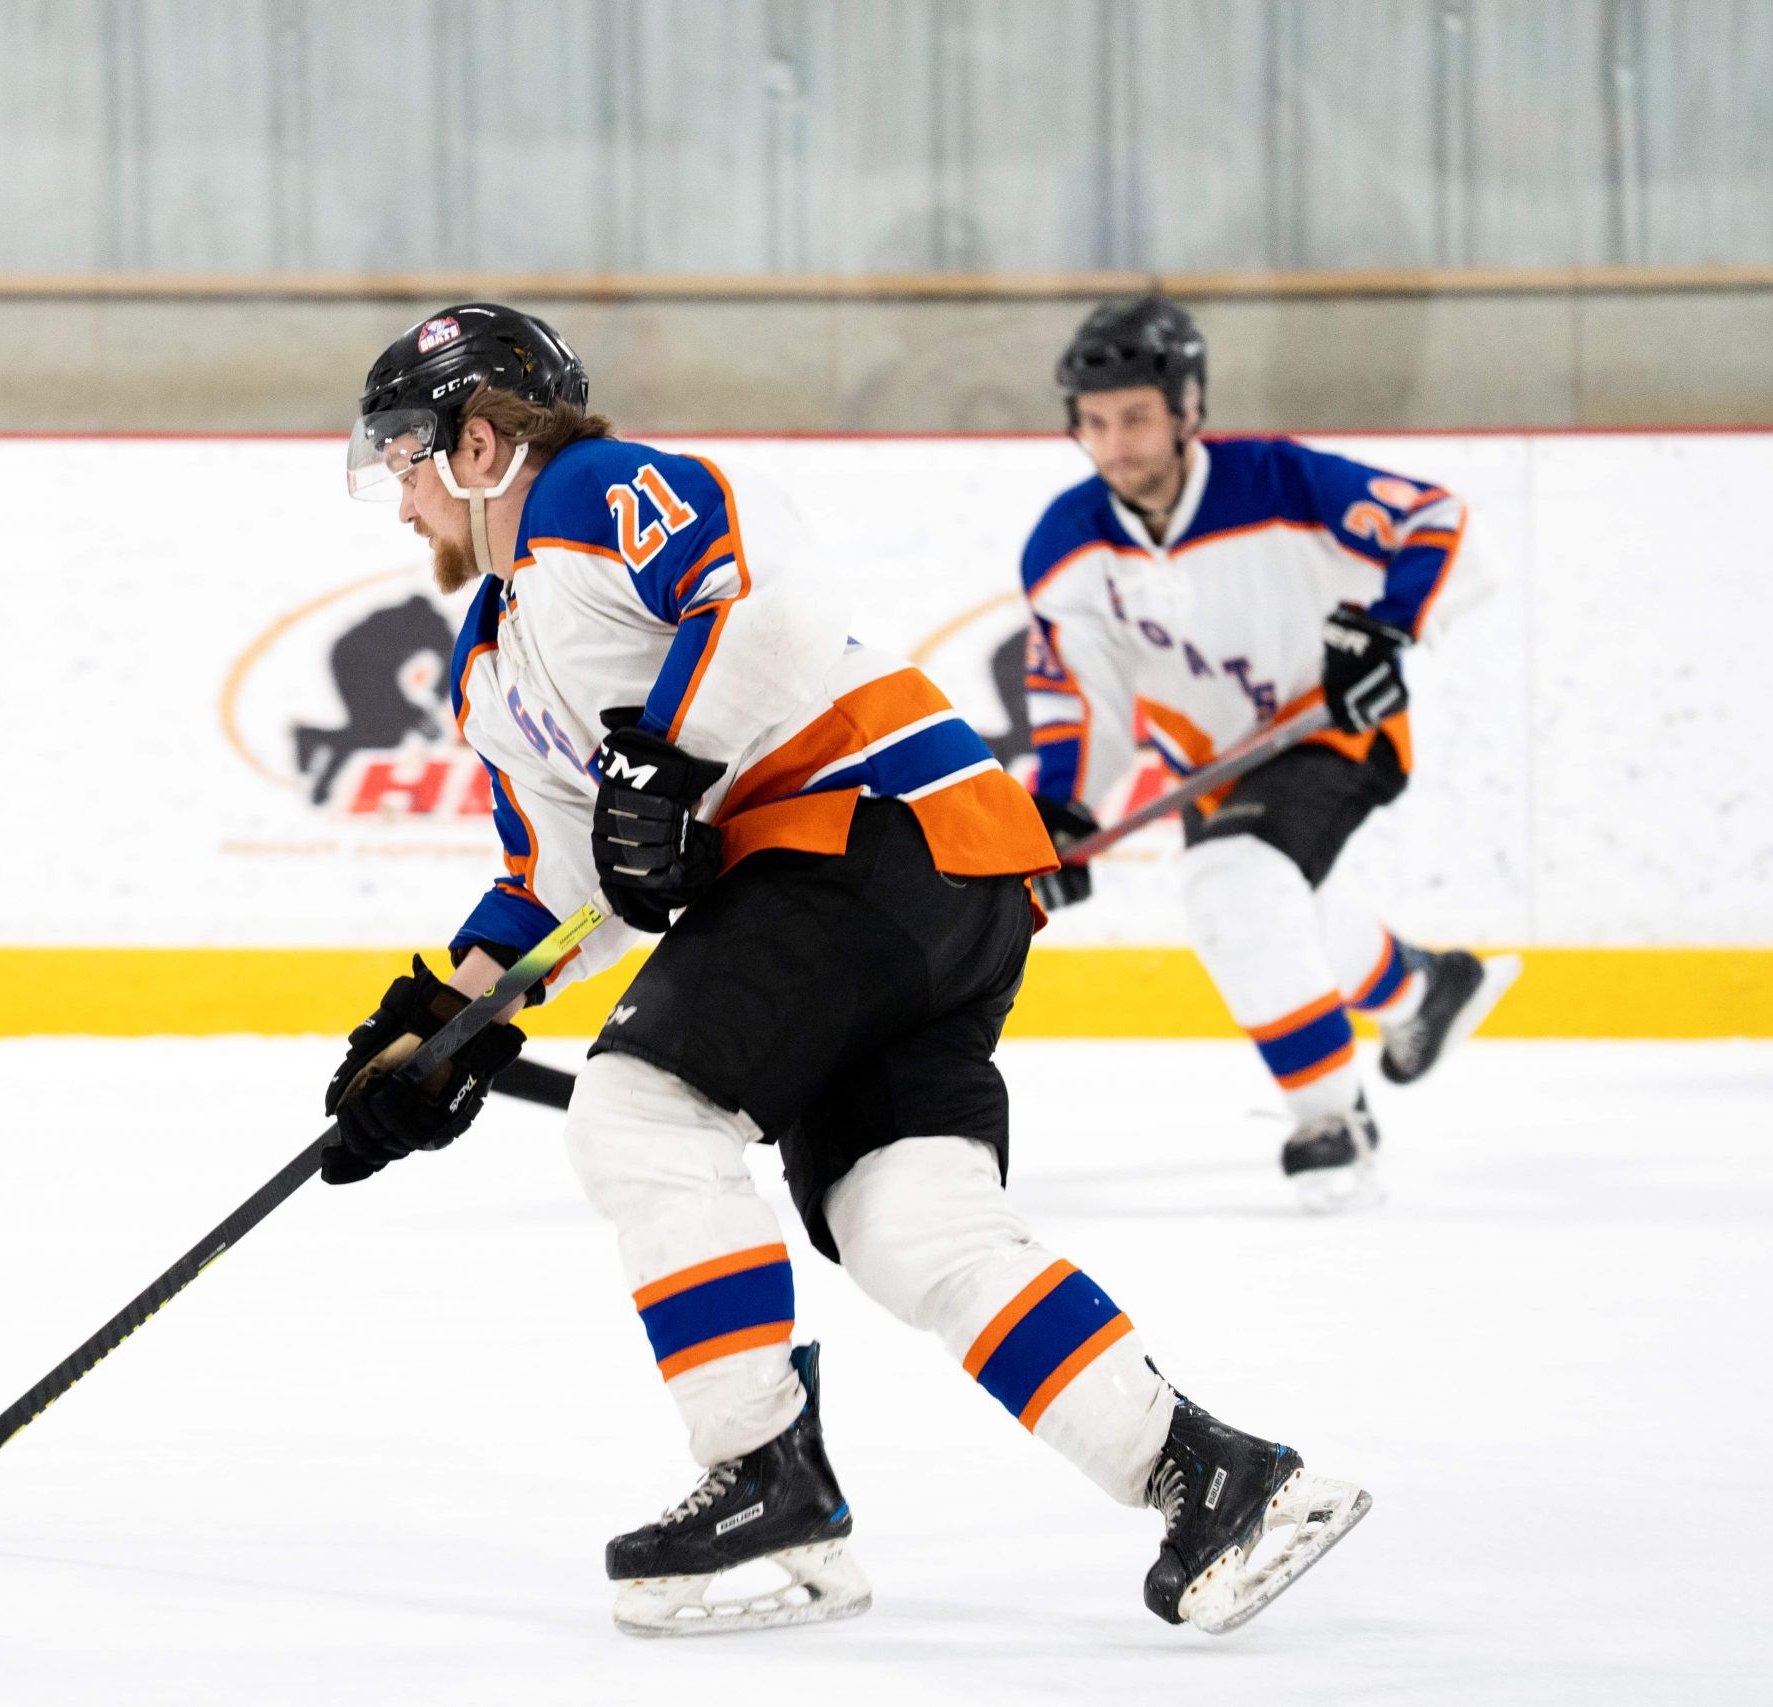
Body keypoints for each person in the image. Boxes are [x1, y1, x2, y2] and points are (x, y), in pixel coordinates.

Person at [322, 302, 1370, 1637]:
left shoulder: (589, 489)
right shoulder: (491, 659)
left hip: (869, 836)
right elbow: (560, 883)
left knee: (641, 1112)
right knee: (909, 1223)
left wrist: (671, 749)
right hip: (934, 887)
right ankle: (1214, 1477)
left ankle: (766, 1476)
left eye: (407, 458)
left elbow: (771, 585)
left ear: (479, 441)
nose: (399, 498)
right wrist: (435, 1032)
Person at [1023, 297, 1522, 1210]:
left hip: (1331, 726)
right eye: (1094, 424)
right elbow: (1080, 700)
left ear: (1186, 408)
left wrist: (1385, 629)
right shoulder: (1066, 546)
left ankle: (1332, 1119)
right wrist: (1063, 810)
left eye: (1136, 416)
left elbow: (1443, 525)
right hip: (1214, 768)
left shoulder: (1280, 480)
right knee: (1275, 900)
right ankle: (1420, 988)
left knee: (1234, 887)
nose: (1117, 444)